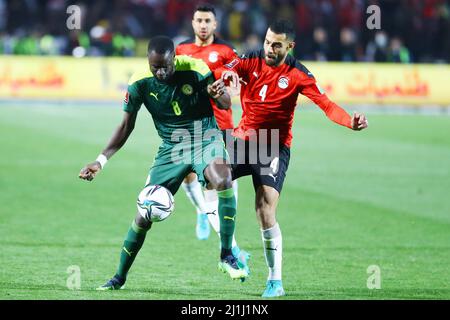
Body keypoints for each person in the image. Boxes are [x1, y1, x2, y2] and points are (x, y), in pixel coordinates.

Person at [78, 36, 248, 290]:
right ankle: (119, 277)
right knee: (143, 214)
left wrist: (218, 93)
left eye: (165, 66)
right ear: (148, 61)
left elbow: (224, 103)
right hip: (172, 148)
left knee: (222, 178)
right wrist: (101, 161)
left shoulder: (196, 69)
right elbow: (126, 125)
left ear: (174, 59)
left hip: (205, 139)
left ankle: (227, 254)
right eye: (154, 66)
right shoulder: (139, 83)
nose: (160, 71)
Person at [217, 20, 369, 297]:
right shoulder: (251, 57)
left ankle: (275, 281)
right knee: (212, 177)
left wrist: (350, 121)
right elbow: (226, 69)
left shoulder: (299, 74)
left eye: (276, 44)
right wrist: (226, 77)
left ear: (290, 46)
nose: (269, 48)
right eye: (267, 42)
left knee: (264, 210)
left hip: (274, 146)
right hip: (242, 139)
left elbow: (327, 105)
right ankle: (231, 251)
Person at [176, 4, 249, 269]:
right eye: (199, 20)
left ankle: (228, 237)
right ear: (192, 23)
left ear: (216, 25)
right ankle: (202, 212)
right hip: (192, 124)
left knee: (224, 179)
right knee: (189, 175)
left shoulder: (227, 52)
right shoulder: (181, 51)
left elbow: (235, 86)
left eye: (208, 20)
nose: (203, 25)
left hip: (221, 125)